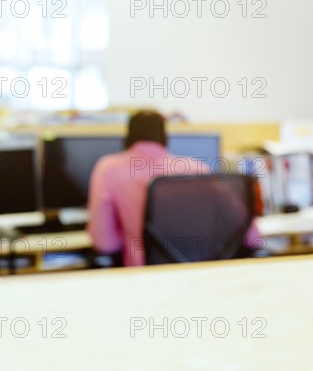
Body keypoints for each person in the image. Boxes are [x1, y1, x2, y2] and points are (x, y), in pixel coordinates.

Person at [87, 110, 262, 266]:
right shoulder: (196, 168)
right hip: (202, 275)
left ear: (127, 140)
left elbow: (105, 243)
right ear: (165, 138)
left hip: (145, 282)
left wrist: (130, 236)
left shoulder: (108, 169)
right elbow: (250, 234)